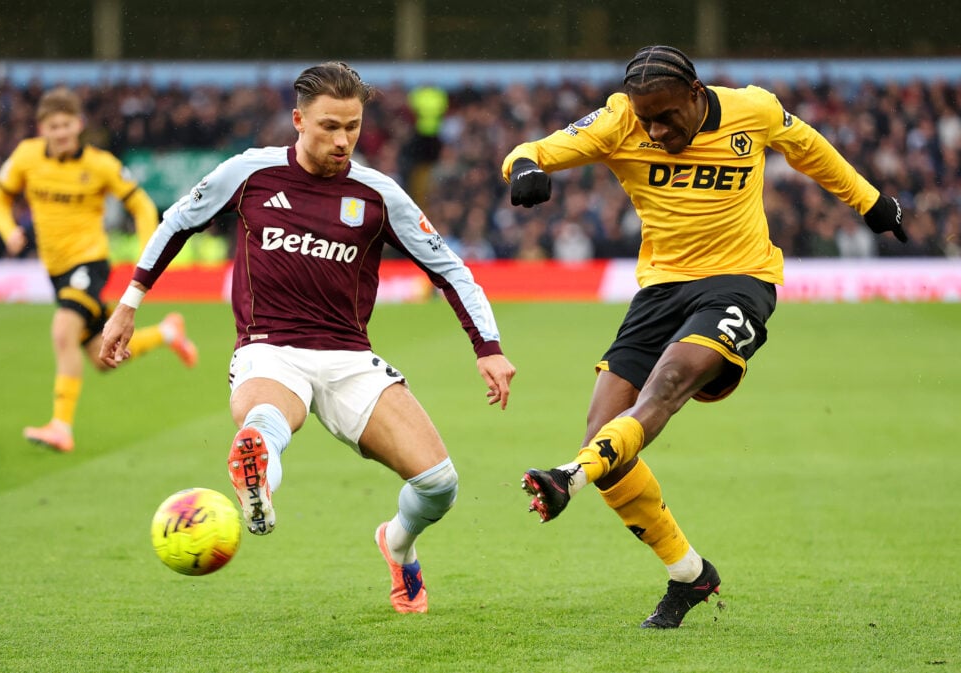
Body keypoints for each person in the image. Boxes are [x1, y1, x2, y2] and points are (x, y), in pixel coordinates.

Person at [501, 45, 907, 628]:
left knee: (665, 386)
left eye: (667, 116)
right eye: (648, 120)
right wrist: (526, 169)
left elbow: (808, 147)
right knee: (606, 442)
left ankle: (571, 476)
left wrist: (870, 201)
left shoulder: (753, 110)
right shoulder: (619, 120)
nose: (656, 129)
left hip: (741, 283)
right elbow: (530, 149)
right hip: (661, 292)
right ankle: (690, 574)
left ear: (696, 93)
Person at [99, 62, 516, 614]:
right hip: (268, 349)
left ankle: (397, 544)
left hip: (349, 359)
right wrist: (129, 303)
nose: (343, 140)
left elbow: (450, 269)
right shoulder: (250, 174)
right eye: (328, 126)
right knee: (267, 422)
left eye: (352, 127)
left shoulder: (377, 194)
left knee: (439, 485)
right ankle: (258, 480)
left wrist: (488, 348)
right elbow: (178, 221)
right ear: (298, 120)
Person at [0, 86, 198, 454]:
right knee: (102, 357)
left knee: (61, 332)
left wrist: (148, 251)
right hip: (54, 269)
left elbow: (141, 205)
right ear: (42, 128)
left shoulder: (100, 164)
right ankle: (167, 333)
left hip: (88, 262)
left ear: (79, 124)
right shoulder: (26, 156)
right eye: (54, 126)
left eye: (67, 125)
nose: (61, 133)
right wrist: (9, 232)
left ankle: (60, 427)